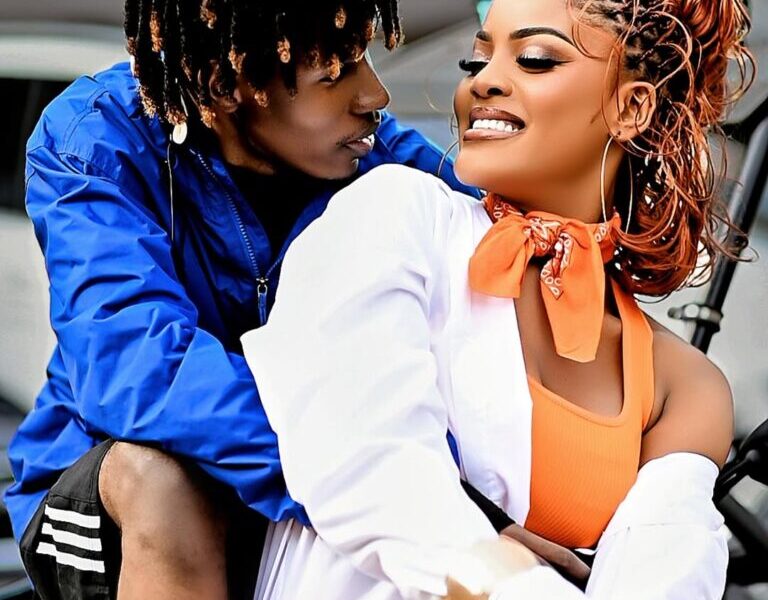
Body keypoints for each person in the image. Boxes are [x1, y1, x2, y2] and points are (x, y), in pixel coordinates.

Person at [241, 0, 754, 597]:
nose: (482, 82)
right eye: (476, 60)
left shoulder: (684, 383)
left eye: (534, 59)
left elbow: (666, 573)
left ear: (632, 107)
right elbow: (366, 465)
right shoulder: (392, 213)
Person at [4, 2, 485, 598]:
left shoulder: (380, 159)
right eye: (334, 74)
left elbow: (515, 236)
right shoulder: (95, 138)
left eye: (363, 59)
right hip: (105, 500)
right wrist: (372, 480)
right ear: (225, 86)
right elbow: (139, 374)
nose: (375, 95)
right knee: (163, 481)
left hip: (297, 479)